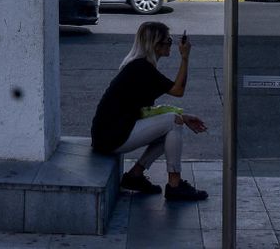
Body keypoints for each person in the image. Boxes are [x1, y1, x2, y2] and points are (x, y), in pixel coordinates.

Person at [90, 21, 209, 202]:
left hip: (108, 135)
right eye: (168, 40)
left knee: (172, 126)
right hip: (112, 137)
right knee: (173, 122)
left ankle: (135, 175)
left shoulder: (138, 66)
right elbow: (178, 91)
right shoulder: (142, 68)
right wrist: (185, 57)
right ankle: (174, 185)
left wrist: (183, 117)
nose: (171, 44)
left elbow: (147, 111)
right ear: (155, 44)